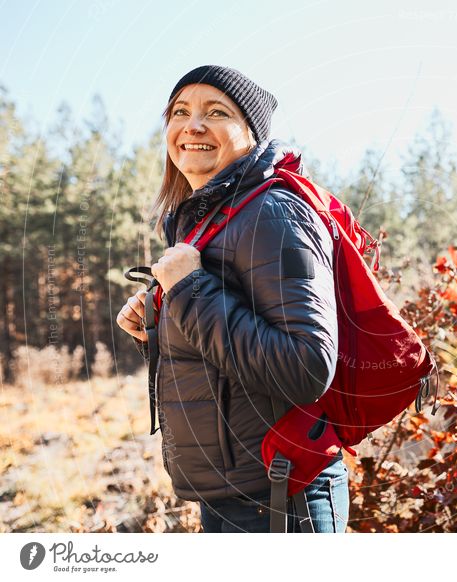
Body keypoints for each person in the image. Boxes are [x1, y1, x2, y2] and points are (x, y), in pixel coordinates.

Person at [115, 65, 347, 533]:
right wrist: (159, 325)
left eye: (215, 112)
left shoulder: (272, 212)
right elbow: (224, 364)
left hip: (282, 494)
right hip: (233, 491)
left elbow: (306, 366)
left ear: (251, 133)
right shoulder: (207, 222)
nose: (192, 125)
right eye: (179, 111)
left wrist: (188, 291)